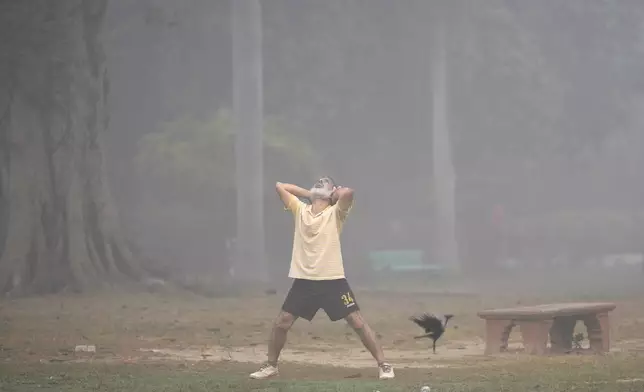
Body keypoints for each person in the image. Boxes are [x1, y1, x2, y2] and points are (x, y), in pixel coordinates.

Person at [250, 177, 395, 380]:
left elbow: (349, 193)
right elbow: (279, 186)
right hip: (304, 280)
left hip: (333, 280)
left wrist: (333, 195)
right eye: (318, 181)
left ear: (332, 192)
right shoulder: (300, 210)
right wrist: (311, 194)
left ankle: (384, 365)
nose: (320, 181)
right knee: (282, 322)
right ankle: (271, 366)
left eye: (326, 182)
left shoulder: (336, 213)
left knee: (357, 322)